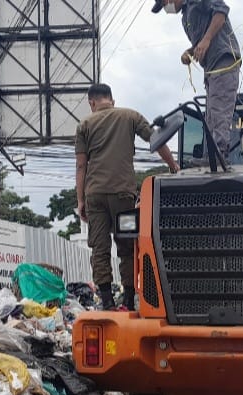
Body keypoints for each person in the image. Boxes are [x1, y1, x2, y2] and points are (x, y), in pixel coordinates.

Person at [75, 83, 179, 310]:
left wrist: (80, 200)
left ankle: (107, 302)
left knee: (100, 248)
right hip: (124, 196)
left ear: (92, 103)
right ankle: (129, 301)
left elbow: (81, 165)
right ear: (112, 100)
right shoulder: (130, 116)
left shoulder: (84, 125)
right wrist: (173, 167)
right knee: (127, 248)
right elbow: (156, 141)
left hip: (96, 197)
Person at [153, 0, 241, 163]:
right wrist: (190, 51)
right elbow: (201, 42)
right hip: (211, 68)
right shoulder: (185, 17)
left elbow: (221, 11)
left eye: (164, 3)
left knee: (219, 110)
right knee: (211, 116)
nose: (166, 8)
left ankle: (218, 155)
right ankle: (212, 156)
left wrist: (206, 39)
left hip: (223, 60)